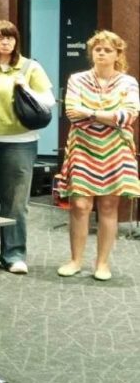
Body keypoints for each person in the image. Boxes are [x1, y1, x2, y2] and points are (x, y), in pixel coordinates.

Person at [0, 21, 55, 273]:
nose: (5, 42)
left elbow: (48, 100)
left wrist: (25, 87)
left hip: (21, 142)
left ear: (16, 41)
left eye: (10, 38)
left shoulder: (30, 67)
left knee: (16, 201)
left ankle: (14, 254)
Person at [57, 30, 139, 281]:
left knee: (109, 205)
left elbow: (128, 116)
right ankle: (75, 260)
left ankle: (102, 263)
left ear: (117, 54)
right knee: (80, 205)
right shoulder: (77, 79)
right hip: (83, 147)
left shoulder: (128, 82)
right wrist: (108, 116)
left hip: (116, 149)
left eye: (107, 50)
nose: (101, 53)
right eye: (98, 49)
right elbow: (72, 113)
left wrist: (90, 113)